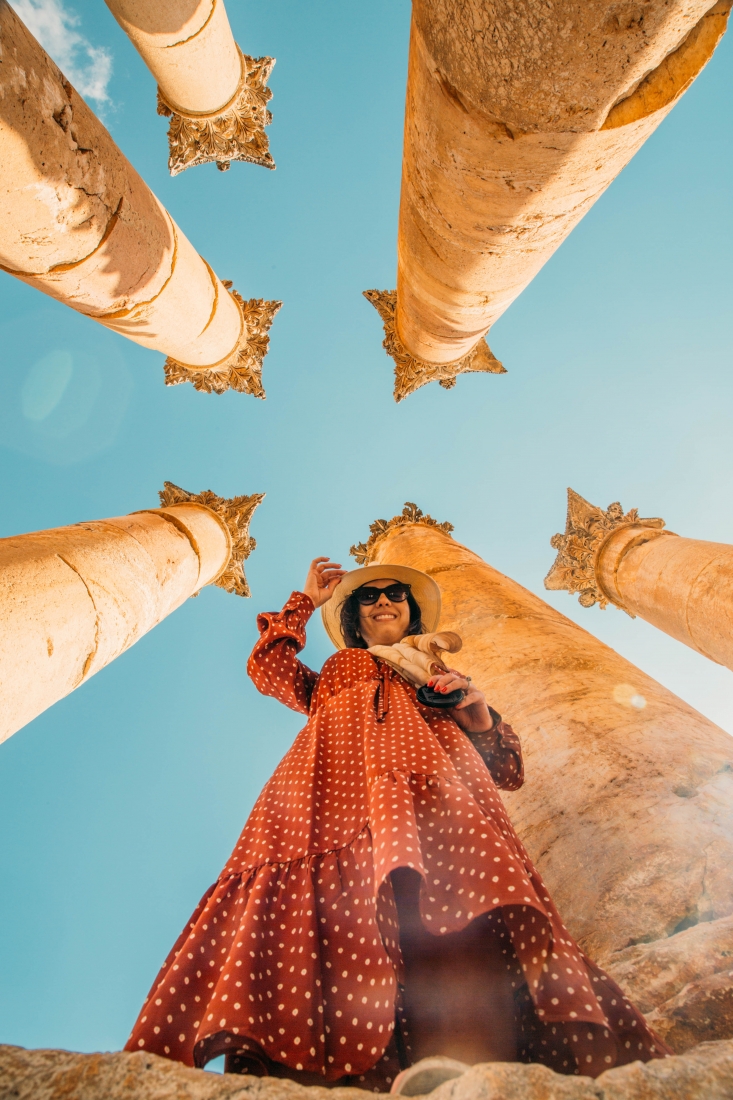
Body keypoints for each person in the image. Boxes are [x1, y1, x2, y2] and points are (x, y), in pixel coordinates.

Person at [125, 558, 669, 1089]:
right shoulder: (336, 672)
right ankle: (328, 1075)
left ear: (412, 613)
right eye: (369, 596)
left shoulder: (438, 672)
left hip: (431, 778)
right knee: (341, 915)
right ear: (353, 618)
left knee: (453, 903)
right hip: (331, 790)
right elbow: (268, 669)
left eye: (394, 594)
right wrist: (305, 603)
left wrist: (474, 710)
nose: (384, 600)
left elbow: (506, 767)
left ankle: (467, 1064)